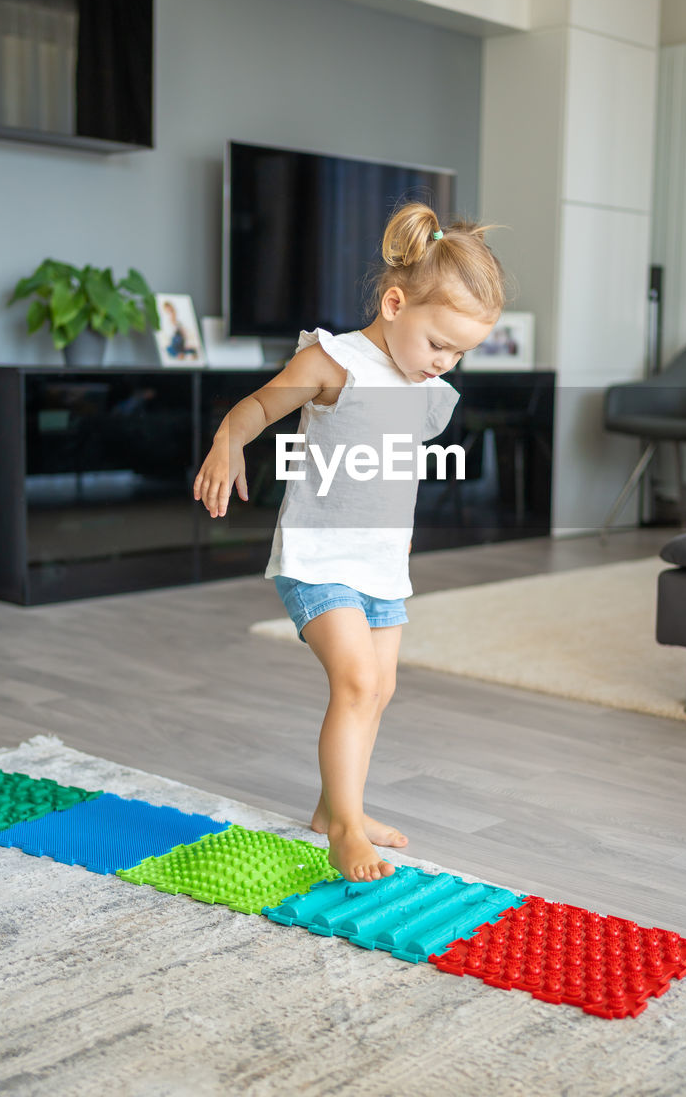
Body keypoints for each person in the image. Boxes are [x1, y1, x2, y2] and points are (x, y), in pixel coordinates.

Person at [193, 202, 506, 883]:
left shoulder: (422, 387)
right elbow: (257, 407)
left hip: (380, 566)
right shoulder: (333, 361)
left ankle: (333, 806)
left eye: (459, 352)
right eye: (437, 343)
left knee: (379, 687)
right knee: (356, 681)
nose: (444, 362)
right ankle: (342, 829)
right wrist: (227, 441)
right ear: (395, 303)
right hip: (317, 559)